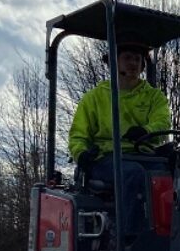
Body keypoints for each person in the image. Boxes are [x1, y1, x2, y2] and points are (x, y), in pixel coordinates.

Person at [68, 36, 172, 239]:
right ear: (113, 62)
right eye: (127, 57)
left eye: (137, 59)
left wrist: (146, 130)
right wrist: (81, 154)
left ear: (143, 65)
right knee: (133, 174)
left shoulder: (154, 97)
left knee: (172, 177)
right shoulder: (95, 97)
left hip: (144, 156)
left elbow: (162, 122)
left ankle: (172, 240)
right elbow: (78, 134)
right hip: (107, 158)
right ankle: (131, 240)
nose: (133, 63)